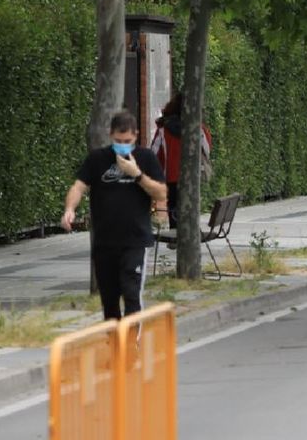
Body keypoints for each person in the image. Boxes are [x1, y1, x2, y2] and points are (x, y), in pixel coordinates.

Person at [60, 110, 166, 320]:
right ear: (111, 135)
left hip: (134, 240)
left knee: (131, 293)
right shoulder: (98, 159)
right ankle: (114, 346)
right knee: (109, 301)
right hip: (105, 242)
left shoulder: (145, 158)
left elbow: (161, 192)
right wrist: (69, 209)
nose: (123, 144)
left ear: (135, 135)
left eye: (127, 140)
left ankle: (130, 348)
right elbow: (78, 187)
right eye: (118, 140)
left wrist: (137, 174)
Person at [149, 93, 212, 229]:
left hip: (171, 175)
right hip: (193, 176)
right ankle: (189, 234)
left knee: (173, 207)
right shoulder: (198, 128)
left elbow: (153, 153)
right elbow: (207, 149)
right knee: (190, 207)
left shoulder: (163, 129)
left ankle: (175, 235)